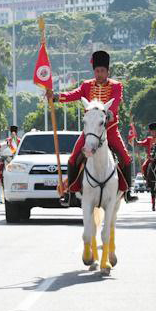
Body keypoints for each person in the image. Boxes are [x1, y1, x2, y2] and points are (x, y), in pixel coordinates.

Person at [49, 50, 138, 203]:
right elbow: (73, 94)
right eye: (97, 71)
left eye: (102, 71)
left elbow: (116, 102)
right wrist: (57, 97)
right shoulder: (86, 85)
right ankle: (70, 192)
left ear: (107, 71)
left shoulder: (116, 86)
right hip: (90, 132)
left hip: (109, 130)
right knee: (72, 159)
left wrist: (109, 113)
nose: (99, 74)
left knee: (126, 158)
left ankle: (128, 191)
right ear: (94, 71)